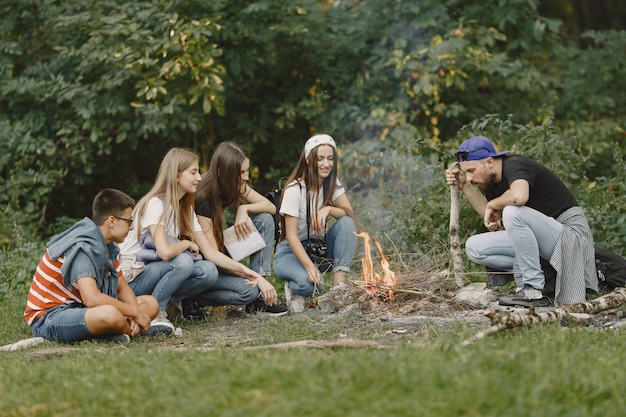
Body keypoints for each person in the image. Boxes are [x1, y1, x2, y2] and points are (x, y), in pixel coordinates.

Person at [446, 136, 598, 307]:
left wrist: (493, 204)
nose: (470, 177)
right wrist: (465, 186)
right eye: (466, 172)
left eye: (471, 171)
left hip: (571, 237)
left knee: (512, 211)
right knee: (475, 247)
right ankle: (546, 277)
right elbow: (487, 212)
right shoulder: (492, 183)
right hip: (546, 242)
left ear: (489, 162)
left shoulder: (515, 165)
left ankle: (534, 291)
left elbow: (519, 197)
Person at [24, 188, 158, 344]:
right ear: (111, 221)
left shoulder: (107, 247)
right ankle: (132, 330)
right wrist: (135, 314)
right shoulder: (83, 247)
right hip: (49, 318)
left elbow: (122, 289)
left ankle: (120, 331)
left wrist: (134, 314)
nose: (132, 227)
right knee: (110, 315)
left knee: (151, 303)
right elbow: (92, 299)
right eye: (129, 221)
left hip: (80, 310)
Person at [194, 141, 287, 317]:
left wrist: (244, 209)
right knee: (248, 292)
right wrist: (253, 278)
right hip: (205, 263)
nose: (246, 177)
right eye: (241, 173)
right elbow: (212, 256)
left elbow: (270, 208)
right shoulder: (204, 197)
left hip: (219, 248)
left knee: (264, 220)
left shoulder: (234, 184)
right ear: (222, 172)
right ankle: (196, 298)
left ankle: (261, 299)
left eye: (247, 171)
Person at [273, 134, 359, 313]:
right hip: (291, 251)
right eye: (320, 158)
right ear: (308, 159)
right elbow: (292, 237)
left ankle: (338, 290)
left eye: (330, 158)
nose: (326, 164)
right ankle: (294, 286)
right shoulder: (294, 190)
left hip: (317, 248)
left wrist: (328, 209)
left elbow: (349, 213)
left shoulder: (331, 183)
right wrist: (310, 267)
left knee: (347, 223)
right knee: (313, 287)